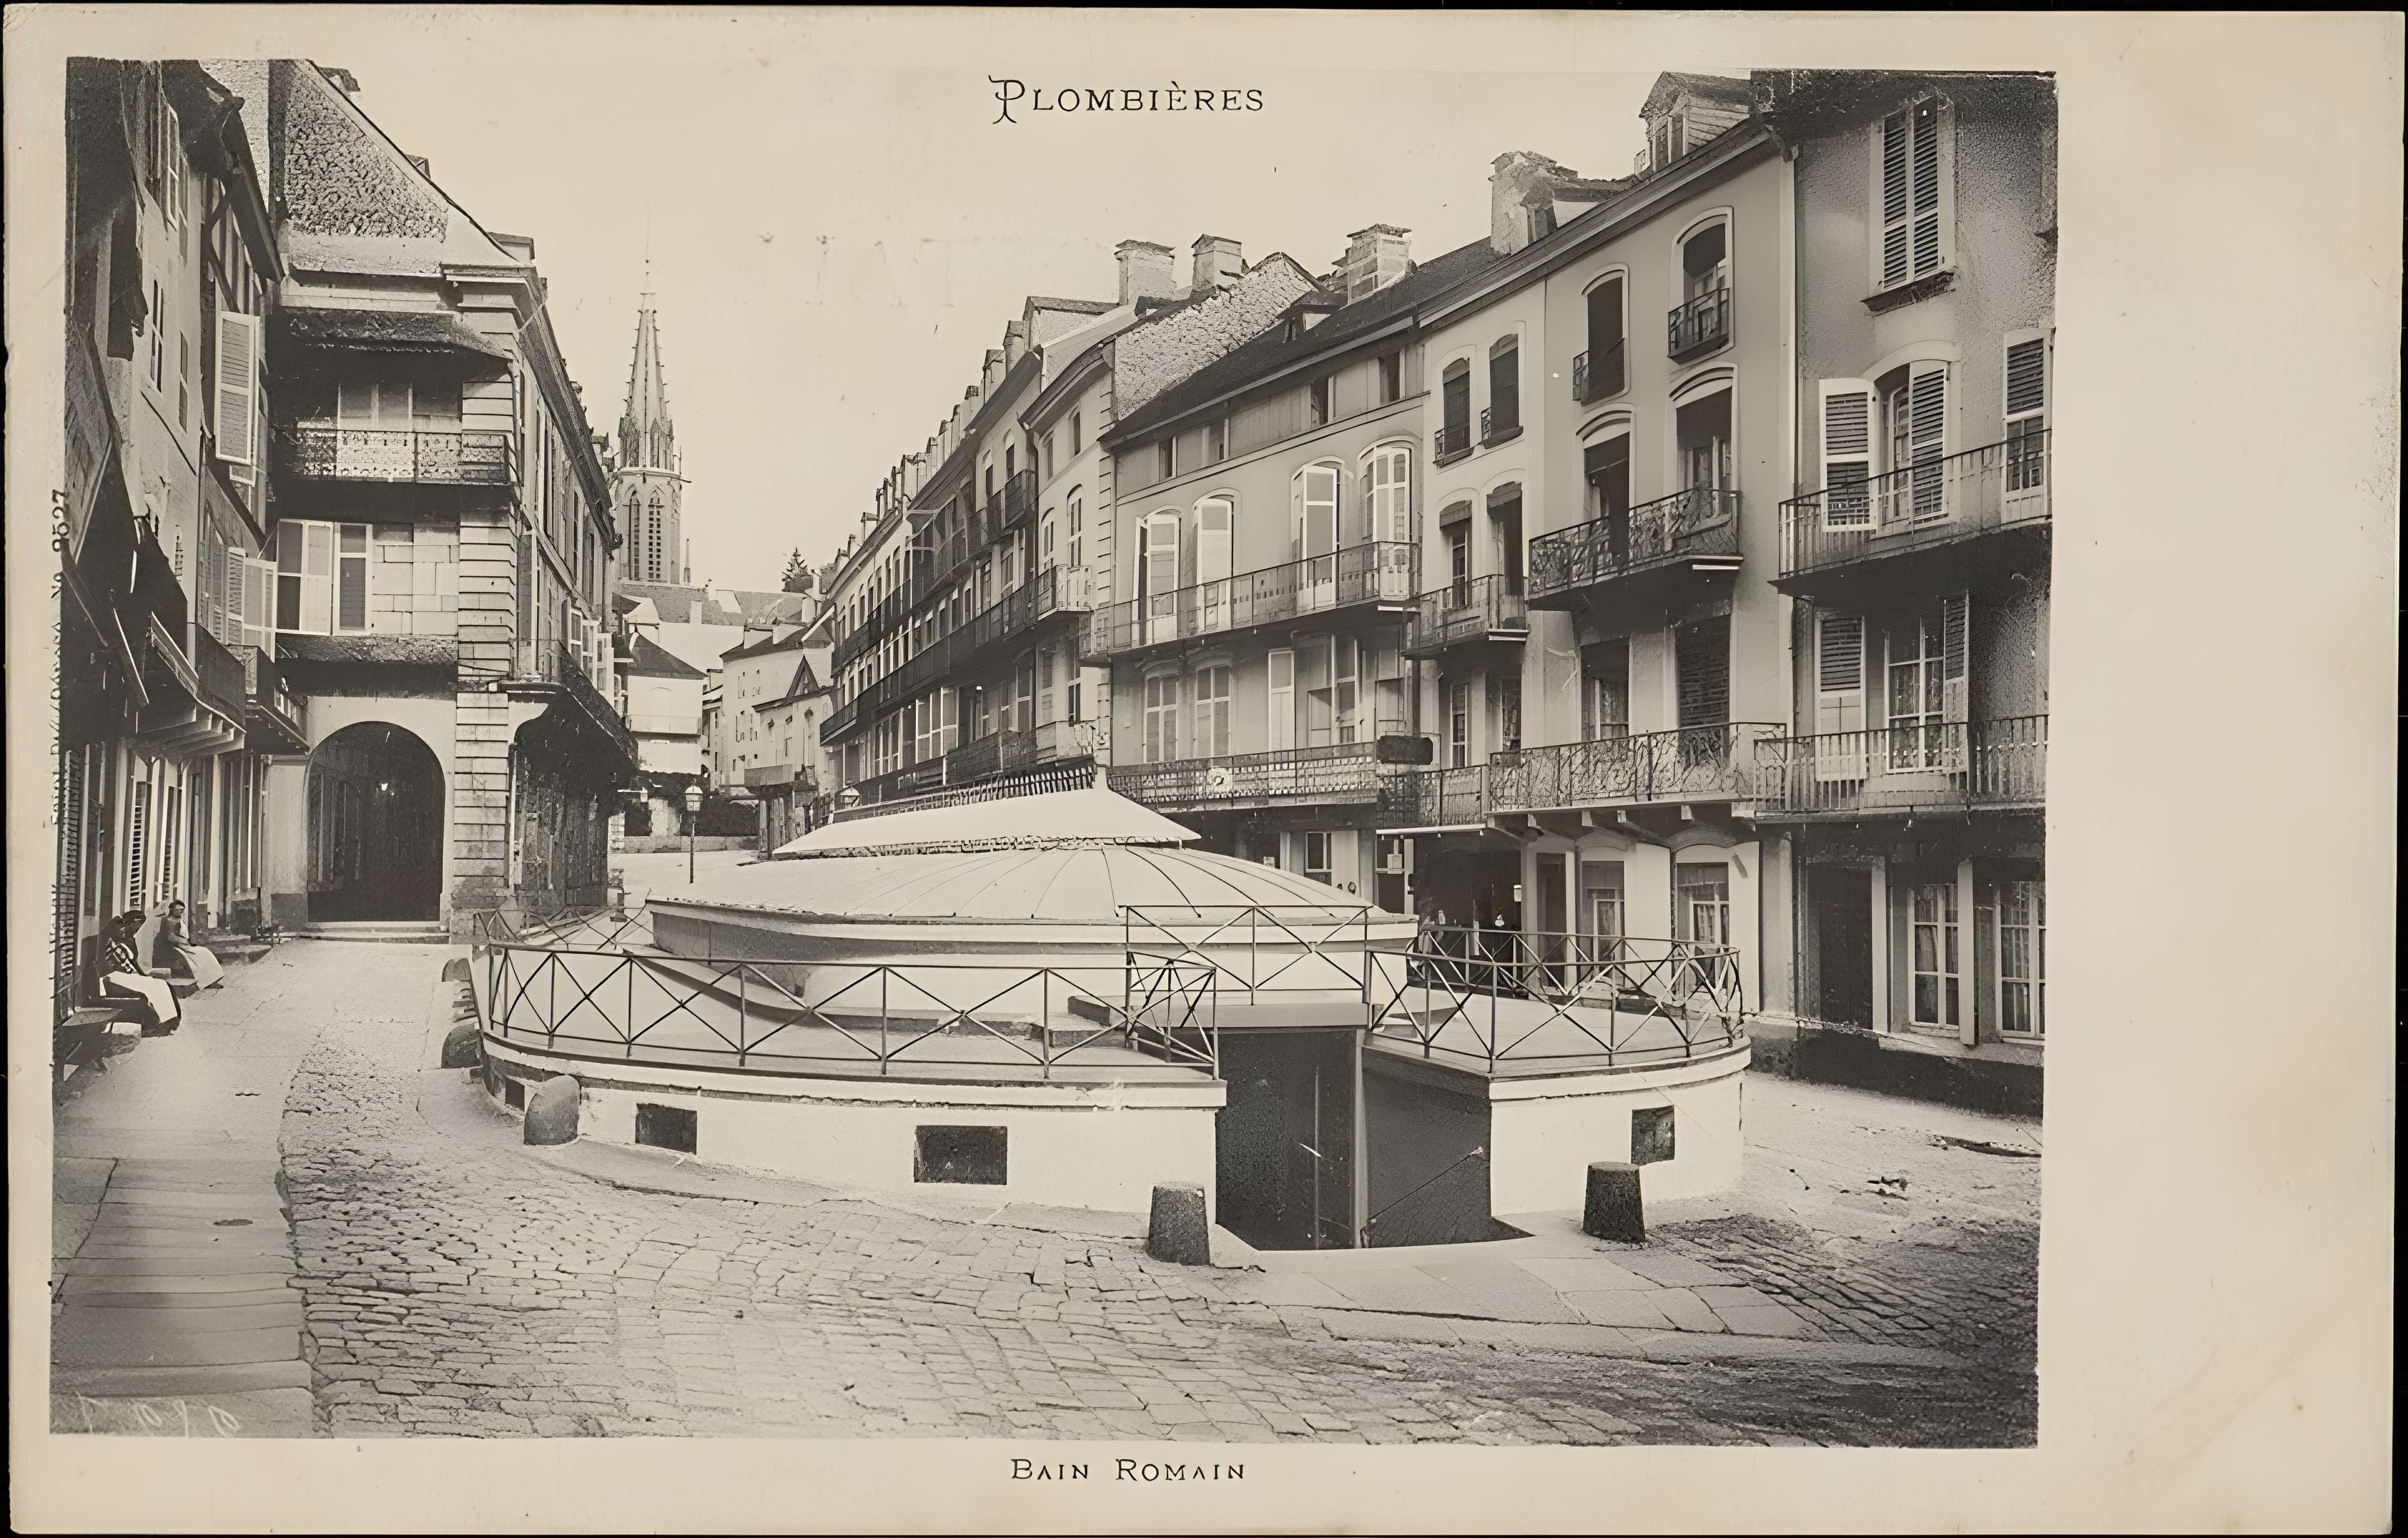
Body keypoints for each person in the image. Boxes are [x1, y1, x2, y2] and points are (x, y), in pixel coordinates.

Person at [100, 911, 179, 1034]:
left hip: (125, 972)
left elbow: (133, 961)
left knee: (161, 984)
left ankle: (168, 1021)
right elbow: (108, 965)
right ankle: (161, 1023)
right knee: (154, 986)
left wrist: (142, 976)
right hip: (113, 975)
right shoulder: (114, 938)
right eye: (136, 927)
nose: (137, 931)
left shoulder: (129, 939)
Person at [154, 899, 225, 990]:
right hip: (171, 946)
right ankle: (206, 981)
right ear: (172, 910)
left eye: (182, 909)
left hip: (180, 944)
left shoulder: (179, 921)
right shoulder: (168, 921)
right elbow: (170, 937)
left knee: (204, 951)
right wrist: (184, 943)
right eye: (178, 909)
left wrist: (188, 942)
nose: (181, 911)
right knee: (199, 954)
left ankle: (212, 979)